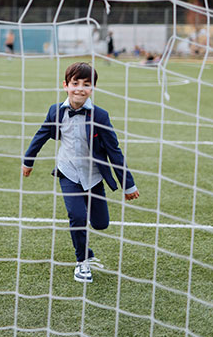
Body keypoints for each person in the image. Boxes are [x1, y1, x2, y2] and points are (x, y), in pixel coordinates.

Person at [22, 62, 139, 283]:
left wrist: (128, 185)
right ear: (65, 85)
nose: (79, 89)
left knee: (101, 223)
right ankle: (82, 261)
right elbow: (41, 135)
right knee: (77, 216)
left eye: (86, 84)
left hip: (94, 177)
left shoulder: (100, 116)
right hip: (68, 173)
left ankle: (88, 251)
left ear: (92, 89)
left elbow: (115, 151)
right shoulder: (56, 110)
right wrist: (29, 161)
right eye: (75, 83)